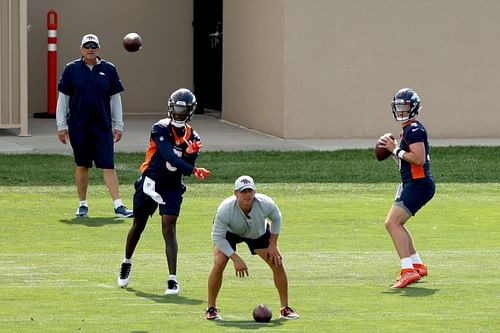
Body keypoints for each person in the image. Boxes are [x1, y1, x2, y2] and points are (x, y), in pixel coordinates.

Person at [117, 88, 211, 295]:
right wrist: (192, 167)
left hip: (172, 185)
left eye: (183, 110)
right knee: (138, 225)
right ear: (170, 107)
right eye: (176, 108)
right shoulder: (159, 128)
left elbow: (184, 165)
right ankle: (126, 262)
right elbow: (169, 156)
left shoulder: (193, 136)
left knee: (169, 228)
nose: (179, 113)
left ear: (190, 111)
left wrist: (190, 157)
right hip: (151, 181)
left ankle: (172, 279)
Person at [56, 33, 133, 218]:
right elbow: (63, 100)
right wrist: (61, 125)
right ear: (81, 49)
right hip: (79, 126)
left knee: (108, 165)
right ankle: (82, 205)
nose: (90, 49)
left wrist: (118, 125)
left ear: (98, 49)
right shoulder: (71, 69)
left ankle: (118, 205)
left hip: (102, 126)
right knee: (82, 165)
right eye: (87, 46)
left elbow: (115, 100)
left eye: (93, 46)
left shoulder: (109, 69)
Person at [205, 175, 300, 320]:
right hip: (229, 233)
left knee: (277, 262)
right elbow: (217, 237)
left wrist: (273, 244)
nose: (247, 195)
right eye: (243, 192)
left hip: (257, 232)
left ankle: (285, 308)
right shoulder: (225, 209)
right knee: (219, 262)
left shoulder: (265, 203)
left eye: (249, 191)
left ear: (255, 192)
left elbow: (276, 218)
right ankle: (211, 308)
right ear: (235, 193)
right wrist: (235, 258)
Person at [378, 88, 435, 288]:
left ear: (414, 107)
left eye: (405, 106)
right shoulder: (409, 129)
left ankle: (408, 270)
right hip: (414, 183)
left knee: (392, 223)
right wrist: (395, 153)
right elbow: (407, 163)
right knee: (397, 224)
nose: (401, 110)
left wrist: (395, 149)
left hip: (418, 184)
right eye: (399, 106)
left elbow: (418, 159)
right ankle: (417, 265)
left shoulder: (414, 129)